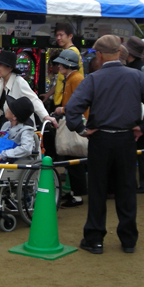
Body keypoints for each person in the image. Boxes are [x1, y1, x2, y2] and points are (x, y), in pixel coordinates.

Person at [65, 35, 144, 255]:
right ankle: (128, 240)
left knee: (98, 190)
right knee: (127, 189)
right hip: (126, 139)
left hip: (100, 139)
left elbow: (72, 109)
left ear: (99, 55)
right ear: (120, 52)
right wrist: (143, 127)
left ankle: (95, 239)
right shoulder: (136, 76)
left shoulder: (93, 78)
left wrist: (81, 129)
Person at [0, 51, 56, 134]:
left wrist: (46, 117)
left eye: (0, 65)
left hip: (22, 130)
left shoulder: (19, 82)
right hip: (8, 127)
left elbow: (34, 100)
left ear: (10, 68)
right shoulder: (1, 83)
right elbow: (0, 108)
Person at [52, 49, 88, 207]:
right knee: (73, 160)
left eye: (61, 63)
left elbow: (82, 102)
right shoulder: (73, 78)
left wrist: (63, 110)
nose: (58, 66)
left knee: (75, 161)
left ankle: (78, 196)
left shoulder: (75, 79)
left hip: (76, 122)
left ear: (68, 63)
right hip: (75, 121)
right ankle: (75, 193)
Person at [124, 36, 144, 194]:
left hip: (138, 114)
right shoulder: (140, 67)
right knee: (141, 150)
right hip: (139, 114)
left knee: (142, 150)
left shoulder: (140, 69)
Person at [40, 23, 84, 109]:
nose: (58, 38)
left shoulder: (72, 52)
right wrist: (48, 94)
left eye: (61, 35)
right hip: (62, 102)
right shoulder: (68, 52)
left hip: (66, 103)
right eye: (57, 35)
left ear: (70, 36)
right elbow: (62, 81)